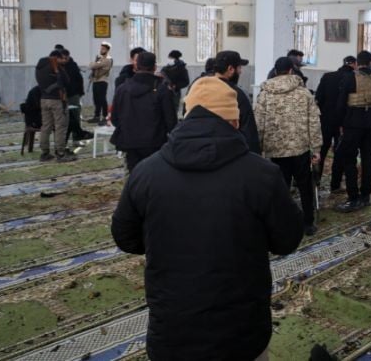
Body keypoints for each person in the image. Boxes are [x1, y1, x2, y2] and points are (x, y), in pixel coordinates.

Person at [111, 76, 304, 361]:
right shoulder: (262, 175)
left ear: (185, 116)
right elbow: (287, 240)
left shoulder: (147, 172)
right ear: (235, 122)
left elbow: (125, 237)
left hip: (173, 323)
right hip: (241, 327)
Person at [255, 57, 323, 235]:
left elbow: (259, 123)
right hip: (300, 148)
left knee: (280, 188)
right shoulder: (304, 93)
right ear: (291, 71)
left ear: (275, 71)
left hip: (275, 150)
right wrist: (316, 149)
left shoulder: (265, 94)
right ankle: (308, 223)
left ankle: (283, 223)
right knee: (305, 186)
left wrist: (259, 149)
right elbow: (314, 122)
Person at [334, 50, 371, 212]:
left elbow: (340, 104)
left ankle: (353, 197)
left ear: (357, 63)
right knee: (368, 161)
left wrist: (341, 123)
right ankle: (366, 196)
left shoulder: (350, 77)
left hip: (352, 125)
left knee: (349, 160)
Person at [111, 52, 177, 172]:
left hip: (129, 141)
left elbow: (115, 118)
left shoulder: (122, 89)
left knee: (134, 174)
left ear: (136, 66)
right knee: (154, 176)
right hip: (155, 142)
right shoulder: (163, 89)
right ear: (155, 67)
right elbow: (171, 121)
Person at [314, 55, 357, 191]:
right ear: (354, 65)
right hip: (343, 123)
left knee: (322, 151)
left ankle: (316, 181)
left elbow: (318, 98)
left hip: (326, 120)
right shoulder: (353, 79)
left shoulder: (327, 77)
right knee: (340, 153)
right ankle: (335, 184)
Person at [214, 50, 261, 154]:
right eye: (239, 67)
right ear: (231, 69)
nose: (240, 71)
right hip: (231, 154)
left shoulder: (200, 90)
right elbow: (249, 133)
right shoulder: (236, 94)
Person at [35, 50, 76, 162]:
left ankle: (44, 153)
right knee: (60, 127)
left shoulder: (39, 66)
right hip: (57, 100)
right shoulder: (55, 67)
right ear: (57, 57)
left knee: (46, 127)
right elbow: (66, 81)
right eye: (62, 58)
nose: (64, 61)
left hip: (44, 99)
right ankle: (60, 153)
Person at [59, 48, 93, 142]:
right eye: (63, 58)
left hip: (73, 94)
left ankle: (76, 135)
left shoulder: (73, 66)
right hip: (61, 95)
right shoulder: (57, 66)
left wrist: (80, 92)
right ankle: (63, 139)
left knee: (75, 115)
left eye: (66, 58)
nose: (64, 60)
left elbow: (79, 80)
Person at [88, 42, 113, 124]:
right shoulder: (100, 58)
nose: (101, 50)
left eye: (103, 49)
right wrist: (94, 64)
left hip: (102, 81)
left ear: (107, 50)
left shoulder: (108, 59)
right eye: (101, 48)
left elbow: (93, 66)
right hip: (96, 80)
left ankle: (105, 117)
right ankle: (97, 116)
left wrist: (94, 64)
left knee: (102, 99)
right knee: (96, 99)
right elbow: (91, 65)